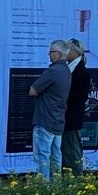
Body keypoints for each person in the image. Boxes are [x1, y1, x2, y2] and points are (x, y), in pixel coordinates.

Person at [27, 40, 72, 180]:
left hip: (45, 120)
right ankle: (56, 189)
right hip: (58, 121)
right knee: (56, 157)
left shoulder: (52, 71)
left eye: (51, 52)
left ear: (57, 54)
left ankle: (44, 189)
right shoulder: (66, 71)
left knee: (42, 158)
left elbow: (32, 91)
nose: (49, 55)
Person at [61, 38, 92, 172]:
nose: (65, 53)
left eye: (67, 50)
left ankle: (75, 179)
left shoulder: (81, 71)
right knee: (66, 150)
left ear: (75, 52)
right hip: (65, 117)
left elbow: (80, 97)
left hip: (71, 119)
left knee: (72, 151)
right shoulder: (68, 69)